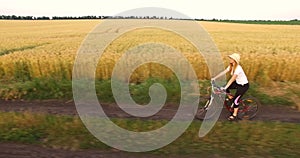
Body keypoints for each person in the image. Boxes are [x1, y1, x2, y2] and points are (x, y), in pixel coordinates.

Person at [211, 53, 249, 121]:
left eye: (231, 58)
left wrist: (225, 88)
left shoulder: (238, 68)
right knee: (225, 88)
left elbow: (232, 79)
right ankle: (230, 97)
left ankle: (234, 115)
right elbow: (224, 72)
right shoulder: (231, 66)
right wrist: (215, 78)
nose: (230, 59)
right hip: (238, 83)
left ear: (235, 60)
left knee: (235, 100)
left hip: (243, 86)